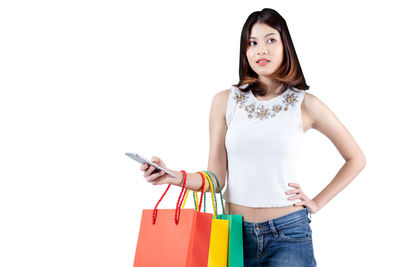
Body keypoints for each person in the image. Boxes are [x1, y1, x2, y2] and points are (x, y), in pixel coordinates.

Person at [139, 8, 366, 267]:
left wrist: (316, 202)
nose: (261, 50)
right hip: (233, 235)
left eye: (271, 40)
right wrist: (174, 177)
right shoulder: (225, 101)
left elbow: (355, 158)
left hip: (289, 234)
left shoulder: (305, 104)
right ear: (244, 51)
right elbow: (215, 180)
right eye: (252, 42)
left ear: (285, 46)